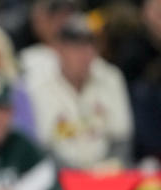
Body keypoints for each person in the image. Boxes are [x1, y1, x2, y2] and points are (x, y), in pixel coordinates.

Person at [26, 15, 133, 170]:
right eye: (76, 47)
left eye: (91, 45)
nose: (86, 54)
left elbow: (122, 139)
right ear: (59, 49)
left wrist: (105, 171)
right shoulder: (37, 84)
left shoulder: (111, 77)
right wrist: (75, 176)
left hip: (105, 175)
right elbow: (39, 147)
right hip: (58, 175)